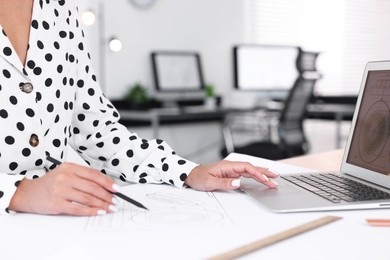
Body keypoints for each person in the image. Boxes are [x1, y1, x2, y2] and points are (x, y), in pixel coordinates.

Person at [0, 0, 278, 216]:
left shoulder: (60, 9)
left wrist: (186, 172)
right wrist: (18, 193)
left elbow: (98, 132)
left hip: (52, 226)